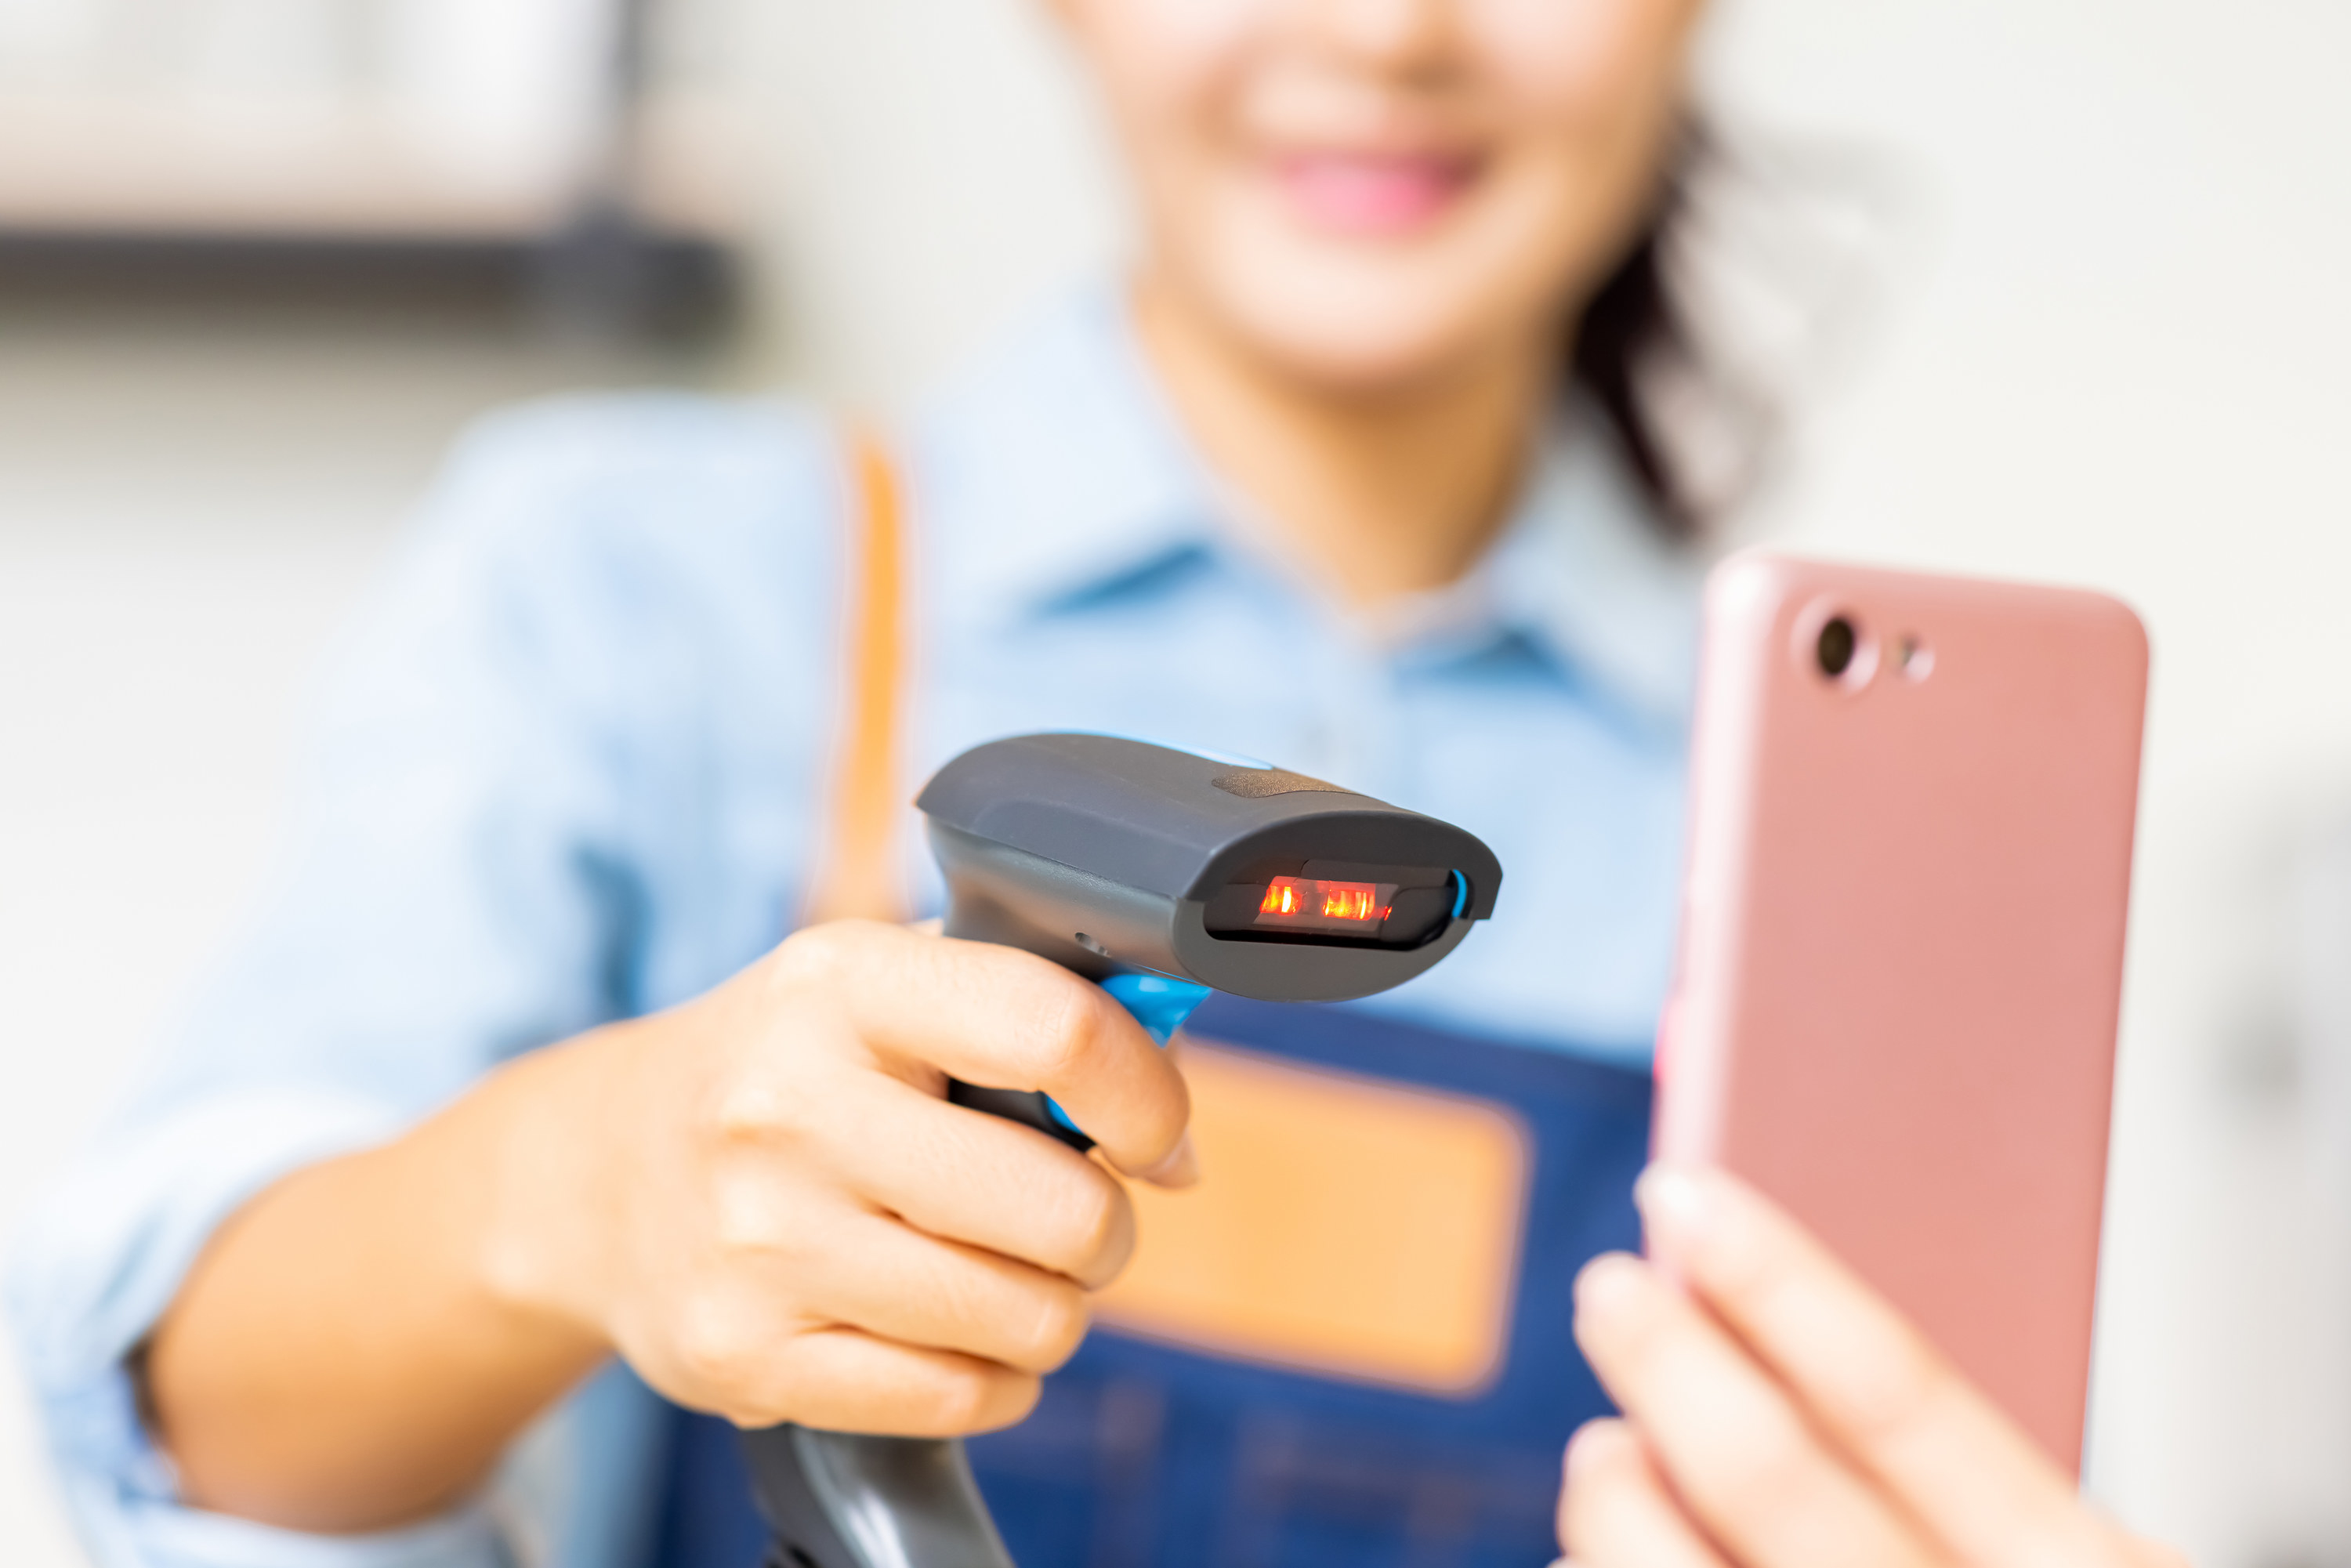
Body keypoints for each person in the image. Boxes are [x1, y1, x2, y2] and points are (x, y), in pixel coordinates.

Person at [6, 2, 2182, 1566]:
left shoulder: (1831, 825)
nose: (1389, 29)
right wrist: (568, 1181)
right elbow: (171, 1400)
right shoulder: (655, 594)